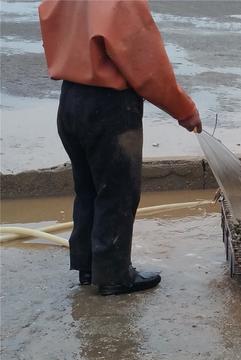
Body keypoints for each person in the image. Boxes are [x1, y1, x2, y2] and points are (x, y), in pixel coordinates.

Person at [39, 0, 202, 295]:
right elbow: (147, 65)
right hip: (109, 107)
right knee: (117, 191)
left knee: (87, 188)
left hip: (70, 100)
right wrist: (184, 109)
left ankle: (88, 267)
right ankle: (114, 275)